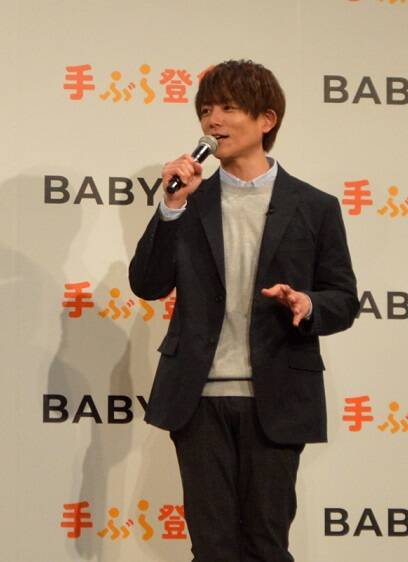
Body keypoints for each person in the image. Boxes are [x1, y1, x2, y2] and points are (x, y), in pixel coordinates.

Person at [129, 60, 359, 562]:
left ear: (266, 119)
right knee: (212, 549)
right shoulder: (190, 200)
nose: (213, 121)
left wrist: (307, 303)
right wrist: (171, 207)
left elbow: (343, 299)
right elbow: (147, 284)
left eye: (229, 108)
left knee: (265, 546)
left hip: (276, 398)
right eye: (206, 110)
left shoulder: (314, 206)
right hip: (198, 398)